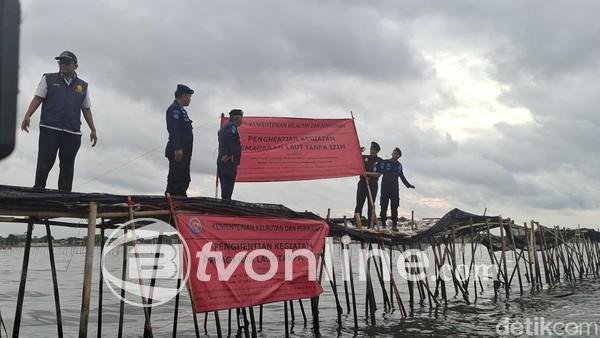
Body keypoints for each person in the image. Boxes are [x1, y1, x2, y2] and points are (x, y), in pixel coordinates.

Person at [20, 51, 97, 192]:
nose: (62, 65)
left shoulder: (83, 86)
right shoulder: (48, 79)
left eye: (66, 62)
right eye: (60, 62)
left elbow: (86, 108)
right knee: (45, 162)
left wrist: (93, 129)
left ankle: (65, 197)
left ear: (75, 66)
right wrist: (27, 115)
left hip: (72, 131)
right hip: (49, 128)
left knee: (67, 166)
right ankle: (37, 192)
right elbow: (38, 98)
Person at [165, 84, 194, 197]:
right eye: (189, 96)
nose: (190, 99)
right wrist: (177, 148)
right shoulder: (174, 110)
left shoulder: (181, 110)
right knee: (175, 178)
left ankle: (181, 198)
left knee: (184, 178)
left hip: (185, 151)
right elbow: (174, 130)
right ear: (183, 96)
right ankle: (172, 200)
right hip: (179, 151)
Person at [377, 147, 415, 231]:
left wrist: (408, 185)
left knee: (394, 206)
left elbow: (401, 176)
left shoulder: (399, 165)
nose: (395, 155)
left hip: (394, 188)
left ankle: (394, 225)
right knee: (383, 206)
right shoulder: (385, 162)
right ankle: (383, 224)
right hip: (385, 187)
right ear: (392, 153)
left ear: (399, 156)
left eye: (397, 154)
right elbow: (378, 170)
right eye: (394, 153)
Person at [354, 141, 383, 227]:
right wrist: (358, 151)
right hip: (363, 183)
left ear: (377, 151)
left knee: (371, 205)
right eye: (371, 149)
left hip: (373, 184)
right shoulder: (364, 157)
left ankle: (371, 225)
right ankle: (357, 223)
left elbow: (379, 174)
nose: (372, 151)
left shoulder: (380, 161)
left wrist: (367, 173)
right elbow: (355, 163)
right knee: (359, 203)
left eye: (374, 150)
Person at [217, 109, 243, 200]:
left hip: (224, 160)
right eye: (241, 118)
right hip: (228, 161)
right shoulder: (231, 127)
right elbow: (229, 137)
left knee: (225, 185)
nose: (242, 120)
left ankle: (226, 201)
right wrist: (228, 153)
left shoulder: (226, 126)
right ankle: (226, 204)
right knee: (228, 184)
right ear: (237, 118)